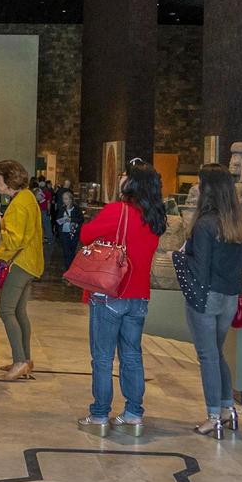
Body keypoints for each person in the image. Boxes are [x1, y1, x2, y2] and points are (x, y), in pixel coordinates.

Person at [75, 162, 166, 436]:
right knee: (132, 355)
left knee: (102, 357)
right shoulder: (155, 217)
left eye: (125, 175)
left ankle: (100, 414)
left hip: (110, 293)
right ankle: (133, 414)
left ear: (133, 183)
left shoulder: (117, 211)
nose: (121, 178)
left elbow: (85, 235)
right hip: (139, 296)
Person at [181, 163, 242, 439]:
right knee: (217, 353)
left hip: (206, 297)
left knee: (207, 356)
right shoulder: (237, 222)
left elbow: (201, 268)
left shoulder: (205, 224)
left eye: (199, 182)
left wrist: (182, 257)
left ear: (207, 188)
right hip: (229, 298)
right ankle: (227, 409)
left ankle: (213, 417)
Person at [0, 159, 44, 382]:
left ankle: (20, 361)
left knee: (6, 311)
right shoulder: (26, 197)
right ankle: (25, 361)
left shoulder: (19, 203)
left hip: (19, 263)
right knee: (20, 312)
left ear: (9, 180)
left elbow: (14, 239)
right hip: (30, 261)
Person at [53, 187, 84, 276]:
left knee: (72, 252)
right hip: (64, 233)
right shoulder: (62, 208)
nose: (64, 201)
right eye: (63, 199)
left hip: (73, 233)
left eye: (66, 199)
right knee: (66, 253)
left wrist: (71, 219)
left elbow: (81, 219)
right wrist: (62, 220)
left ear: (71, 199)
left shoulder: (76, 209)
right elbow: (57, 220)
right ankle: (68, 272)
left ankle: (72, 270)